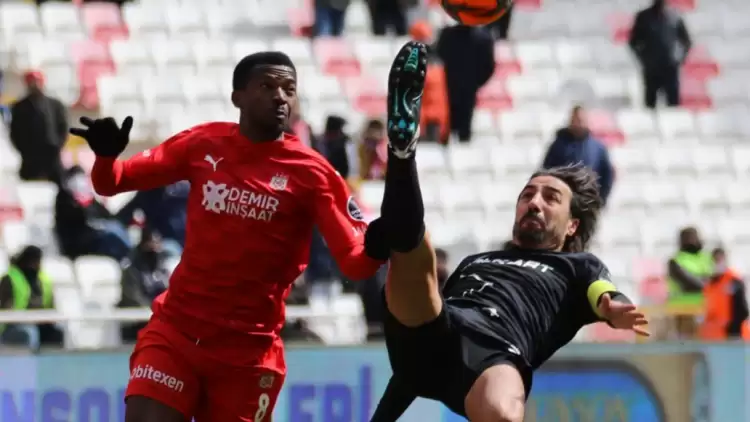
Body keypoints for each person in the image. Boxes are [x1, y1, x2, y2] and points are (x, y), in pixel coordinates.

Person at [69, 51, 384, 422]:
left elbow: (357, 262)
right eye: (267, 86)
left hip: (247, 355)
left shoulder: (313, 173)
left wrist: (382, 239)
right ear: (238, 96)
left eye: (289, 89)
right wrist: (106, 157)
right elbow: (112, 182)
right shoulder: (203, 143)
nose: (280, 96)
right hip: (177, 334)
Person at [364, 41, 649, 422]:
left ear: (572, 225)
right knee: (415, 243)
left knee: (501, 411)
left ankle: (402, 178)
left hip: (497, 350)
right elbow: (414, 362)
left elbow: (601, 292)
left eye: (551, 198)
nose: (534, 202)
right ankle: (403, 155)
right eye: (528, 194)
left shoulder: (578, 266)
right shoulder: (477, 260)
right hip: (436, 327)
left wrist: (612, 307)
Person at [542, 105, 615, 205]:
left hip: (588, 202)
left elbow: (607, 174)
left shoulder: (597, 147)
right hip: (563, 201)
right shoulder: (558, 146)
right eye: (575, 120)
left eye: (581, 120)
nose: (578, 123)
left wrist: (601, 199)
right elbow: (547, 171)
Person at [628, 0, 692, 108]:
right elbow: (633, 41)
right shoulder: (643, 17)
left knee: (673, 106)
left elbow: (686, 41)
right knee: (650, 104)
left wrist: (680, 59)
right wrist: (643, 58)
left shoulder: (675, 16)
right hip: (652, 68)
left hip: (670, 68)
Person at [0, 245, 63, 350]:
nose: (35, 264)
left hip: (40, 323)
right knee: (30, 332)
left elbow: (51, 308)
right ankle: (30, 365)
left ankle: (51, 365)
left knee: (56, 334)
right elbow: (7, 312)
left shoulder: (44, 280)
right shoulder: (9, 278)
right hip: (12, 327)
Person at [9, 70, 68, 183]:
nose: (34, 85)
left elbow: (63, 128)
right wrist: (25, 151)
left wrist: (56, 145)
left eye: (37, 81)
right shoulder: (19, 107)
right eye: (31, 82)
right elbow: (15, 133)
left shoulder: (55, 105)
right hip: (30, 160)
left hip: (52, 158)